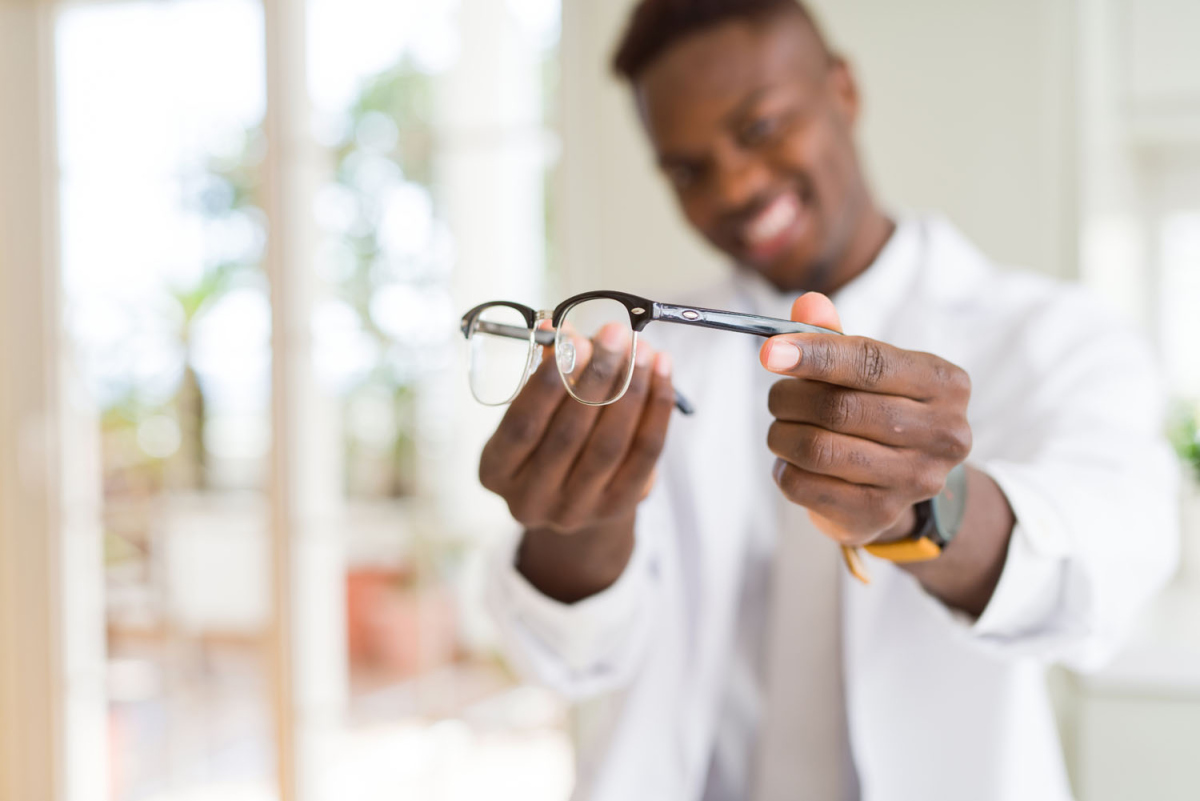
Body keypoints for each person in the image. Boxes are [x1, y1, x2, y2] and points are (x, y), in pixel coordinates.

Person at [480, 1, 1179, 799]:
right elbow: (566, 657)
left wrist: (927, 510)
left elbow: (1115, 561)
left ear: (841, 92)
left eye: (760, 128)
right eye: (688, 169)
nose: (736, 185)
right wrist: (577, 531)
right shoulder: (639, 367)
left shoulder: (1052, 332)